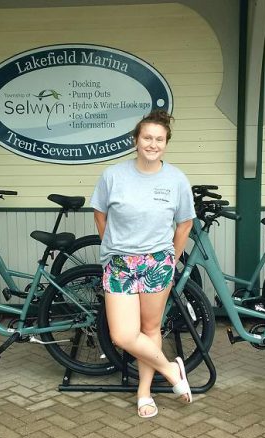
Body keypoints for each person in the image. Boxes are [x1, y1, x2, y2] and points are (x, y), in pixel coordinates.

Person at [91, 110, 195, 418]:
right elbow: (100, 214)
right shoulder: (113, 176)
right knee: (122, 335)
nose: (152, 144)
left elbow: (185, 224)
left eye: (159, 139)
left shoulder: (176, 179)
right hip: (120, 264)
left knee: (150, 329)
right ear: (136, 140)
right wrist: (112, 246)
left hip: (157, 263)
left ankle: (144, 393)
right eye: (147, 138)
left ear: (166, 143)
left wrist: (170, 261)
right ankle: (172, 370)